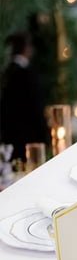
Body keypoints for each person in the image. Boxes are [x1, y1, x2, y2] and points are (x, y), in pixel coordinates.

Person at [0, 31, 47, 162]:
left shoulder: (6, 73)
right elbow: (36, 107)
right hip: (29, 139)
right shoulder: (28, 75)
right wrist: (44, 135)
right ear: (26, 48)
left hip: (8, 136)